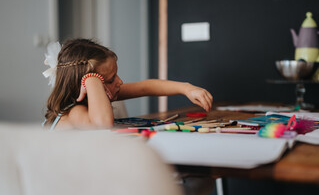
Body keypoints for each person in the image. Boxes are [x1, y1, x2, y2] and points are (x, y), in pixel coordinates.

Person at [43, 38, 213, 130]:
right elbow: (103, 125)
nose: (120, 82)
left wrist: (187, 88)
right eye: (110, 79)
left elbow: (146, 87)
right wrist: (91, 78)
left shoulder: (93, 100)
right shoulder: (74, 112)